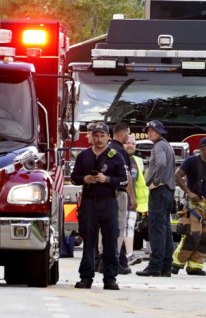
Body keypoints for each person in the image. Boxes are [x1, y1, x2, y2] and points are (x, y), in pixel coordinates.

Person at [71, 122, 128, 290]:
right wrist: (85, 179)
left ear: (108, 137)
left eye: (102, 136)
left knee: (110, 239)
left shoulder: (116, 155)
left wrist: (107, 179)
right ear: (91, 137)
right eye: (96, 135)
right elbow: (74, 177)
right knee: (88, 240)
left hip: (109, 201)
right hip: (89, 201)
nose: (99, 139)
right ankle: (86, 277)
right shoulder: (83, 156)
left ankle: (110, 278)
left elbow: (124, 180)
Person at [171, 137, 206, 276]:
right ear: (204, 148)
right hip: (194, 206)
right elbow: (177, 175)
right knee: (192, 236)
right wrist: (189, 192)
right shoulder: (191, 161)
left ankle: (195, 266)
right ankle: (176, 263)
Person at [136, 120, 176, 277]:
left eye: (153, 130)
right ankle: (166, 266)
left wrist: (155, 181)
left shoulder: (159, 146)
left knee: (156, 229)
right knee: (165, 229)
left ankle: (155, 265)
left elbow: (160, 164)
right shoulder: (167, 145)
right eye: (148, 130)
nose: (149, 133)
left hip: (159, 191)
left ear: (160, 132)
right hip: (168, 191)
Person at [97, 123, 137, 275]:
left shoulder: (105, 150)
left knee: (104, 227)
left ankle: (102, 258)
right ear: (122, 134)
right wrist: (132, 198)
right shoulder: (121, 152)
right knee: (118, 228)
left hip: (104, 193)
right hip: (118, 194)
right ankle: (113, 261)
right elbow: (126, 177)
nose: (128, 137)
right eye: (128, 133)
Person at [123, 134, 147, 266]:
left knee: (130, 227)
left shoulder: (138, 161)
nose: (130, 145)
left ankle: (129, 255)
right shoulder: (119, 158)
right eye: (128, 143)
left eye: (133, 144)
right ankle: (123, 255)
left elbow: (139, 181)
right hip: (120, 200)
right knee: (120, 228)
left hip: (132, 202)